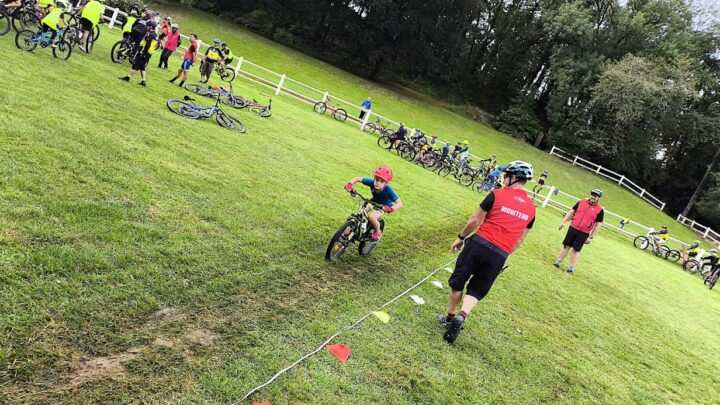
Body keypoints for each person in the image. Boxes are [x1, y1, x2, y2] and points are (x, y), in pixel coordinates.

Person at [439, 161, 536, 344]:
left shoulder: (496, 194)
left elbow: (475, 219)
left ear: (513, 177)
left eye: (505, 175)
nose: (503, 178)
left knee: (459, 280)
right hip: (501, 252)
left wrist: (461, 237)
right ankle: (463, 314)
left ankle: (451, 317)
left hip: (479, 243)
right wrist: (505, 252)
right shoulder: (532, 209)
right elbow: (521, 239)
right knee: (477, 288)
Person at [344, 167, 403, 242]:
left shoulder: (388, 190)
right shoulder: (372, 182)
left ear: (386, 183)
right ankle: (354, 230)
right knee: (361, 212)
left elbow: (400, 203)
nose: (378, 182)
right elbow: (358, 178)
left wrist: (391, 209)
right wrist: (350, 184)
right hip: (373, 201)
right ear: (374, 178)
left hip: (384, 206)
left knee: (372, 217)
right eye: (377, 179)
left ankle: (378, 232)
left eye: (382, 181)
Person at [554, 189, 604, 274]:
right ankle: (557, 263)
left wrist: (591, 237)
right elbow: (571, 212)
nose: (593, 197)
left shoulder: (600, 210)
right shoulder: (581, 202)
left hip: (584, 233)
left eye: (595, 196)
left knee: (576, 250)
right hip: (573, 228)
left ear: (598, 198)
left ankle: (570, 269)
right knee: (566, 246)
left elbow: (598, 225)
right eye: (592, 195)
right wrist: (563, 222)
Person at [118, 20, 158, 87]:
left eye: (147, 26)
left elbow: (147, 45)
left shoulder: (150, 35)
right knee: (142, 68)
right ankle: (143, 81)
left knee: (136, 66)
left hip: (145, 53)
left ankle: (127, 77)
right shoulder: (154, 35)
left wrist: (143, 52)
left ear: (151, 27)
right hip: (148, 54)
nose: (146, 27)